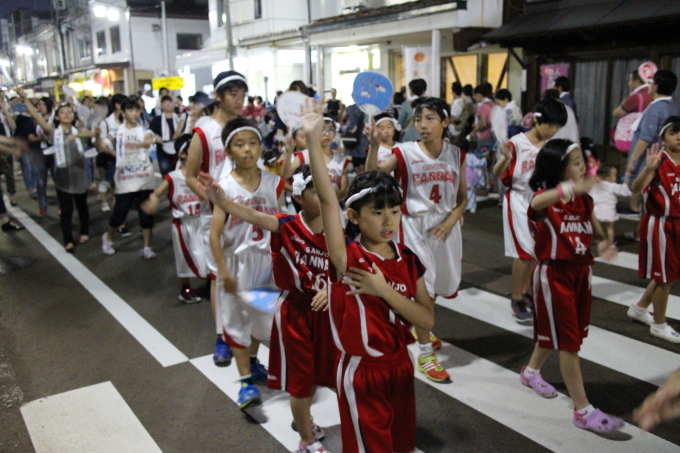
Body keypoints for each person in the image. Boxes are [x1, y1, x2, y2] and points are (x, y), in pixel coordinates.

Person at [304, 98, 433, 453]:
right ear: (355, 216)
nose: (389, 220)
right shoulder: (348, 258)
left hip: (400, 366)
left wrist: (383, 290)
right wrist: (312, 140)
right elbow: (327, 201)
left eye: (395, 210)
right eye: (377, 212)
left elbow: (426, 319)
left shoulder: (408, 259)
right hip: (362, 370)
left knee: (399, 444)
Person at [200, 164, 335, 453]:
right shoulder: (286, 225)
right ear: (298, 197)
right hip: (296, 314)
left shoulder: (338, 228)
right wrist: (222, 201)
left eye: (328, 188)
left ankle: (305, 419)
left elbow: (349, 266)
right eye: (316, 191)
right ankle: (306, 440)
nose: (326, 195)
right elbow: (252, 215)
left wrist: (333, 288)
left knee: (319, 375)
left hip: (326, 314)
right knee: (300, 381)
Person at [520, 138, 622, 434]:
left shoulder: (584, 200)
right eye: (577, 163)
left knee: (561, 333)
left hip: (580, 274)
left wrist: (604, 241)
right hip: (554, 276)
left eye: (582, 162)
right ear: (559, 168)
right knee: (569, 344)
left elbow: (594, 226)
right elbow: (535, 203)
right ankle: (583, 410)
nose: (583, 167)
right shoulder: (546, 199)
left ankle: (530, 372)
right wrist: (568, 188)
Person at [367, 97, 466, 384]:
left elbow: (462, 198)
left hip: (445, 227)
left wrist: (451, 220)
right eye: (419, 119)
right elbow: (372, 176)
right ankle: (425, 354)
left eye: (430, 118)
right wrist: (373, 145)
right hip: (413, 228)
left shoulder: (456, 154)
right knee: (424, 290)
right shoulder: (405, 152)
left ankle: (421, 327)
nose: (422, 124)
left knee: (439, 287)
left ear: (445, 122)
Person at [209, 118, 284, 409]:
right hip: (237, 264)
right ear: (229, 151)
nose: (248, 149)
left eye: (253, 143)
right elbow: (215, 235)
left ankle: (252, 363)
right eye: (240, 145)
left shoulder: (274, 183)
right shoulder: (225, 187)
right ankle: (245, 383)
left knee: (263, 323)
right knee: (238, 325)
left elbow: (281, 225)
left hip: (266, 263)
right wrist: (223, 272)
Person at [184, 70, 248, 367]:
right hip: (216, 215)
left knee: (245, 270)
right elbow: (190, 174)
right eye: (233, 94)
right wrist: (213, 199)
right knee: (218, 275)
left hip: (244, 213)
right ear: (219, 97)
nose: (239, 100)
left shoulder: (244, 128)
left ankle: (246, 331)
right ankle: (222, 335)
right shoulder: (204, 131)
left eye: (242, 94)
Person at [492, 99, 568, 324]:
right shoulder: (517, 143)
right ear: (536, 120)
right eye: (550, 125)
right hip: (519, 199)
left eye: (557, 127)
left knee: (537, 251)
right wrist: (505, 158)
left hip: (541, 199)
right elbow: (497, 173)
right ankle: (516, 298)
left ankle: (526, 292)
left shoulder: (551, 146)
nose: (552, 130)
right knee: (524, 252)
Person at [19, 88, 95, 252]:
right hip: (62, 177)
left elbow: (91, 134)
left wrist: (77, 136)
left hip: (79, 175)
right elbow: (37, 117)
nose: (67, 115)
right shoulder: (54, 132)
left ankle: (84, 231)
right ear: (57, 117)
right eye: (62, 113)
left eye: (69, 112)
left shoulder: (79, 130)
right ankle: (68, 240)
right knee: (66, 210)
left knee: (82, 207)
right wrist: (25, 99)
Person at [627, 117, 680, 343]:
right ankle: (659, 325)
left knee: (669, 273)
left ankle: (640, 308)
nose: (679, 137)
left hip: (677, 222)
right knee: (664, 276)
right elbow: (635, 188)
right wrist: (648, 170)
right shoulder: (658, 161)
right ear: (663, 139)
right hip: (660, 223)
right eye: (673, 133)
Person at [142, 134, 205, 303]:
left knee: (208, 255)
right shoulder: (173, 177)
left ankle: (209, 284)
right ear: (182, 154)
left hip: (203, 221)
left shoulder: (204, 174)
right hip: (183, 225)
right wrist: (153, 199)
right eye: (194, 150)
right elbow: (156, 194)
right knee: (184, 259)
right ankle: (185, 290)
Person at [99, 99, 157, 259]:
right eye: (130, 110)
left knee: (146, 215)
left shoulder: (144, 129)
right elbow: (101, 147)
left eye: (137, 111)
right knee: (120, 213)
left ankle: (146, 247)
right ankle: (108, 237)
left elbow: (148, 141)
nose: (135, 114)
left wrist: (138, 144)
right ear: (123, 113)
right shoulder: (116, 132)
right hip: (125, 180)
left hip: (144, 179)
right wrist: (97, 137)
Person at [625, 70, 678, 215]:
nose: (649, 85)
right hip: (668, 161)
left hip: (651, 160)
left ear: (657, 86)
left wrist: (632, 162)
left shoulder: (655, 108)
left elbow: (645, 138)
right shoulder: (673, 106)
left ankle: (640, 223)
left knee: (644, 196)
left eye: (651, 82)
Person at [282, 117, 349, 199]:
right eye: (322, 129)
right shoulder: (304, 155)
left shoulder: (341, 160)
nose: (327, 134)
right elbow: (285, 175)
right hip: (307, 205)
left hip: (333, 204)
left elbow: (343, 190)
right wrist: (288, 153)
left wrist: (329, 201)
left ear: (335, 133)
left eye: (331, 129)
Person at [96, 94, 127, 215]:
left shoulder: (127, 121)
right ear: (117, 105)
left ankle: (118, 217)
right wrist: (114, 154)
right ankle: (117, 218)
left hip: (126, 158)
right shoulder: (106, 123)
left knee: (121, 190)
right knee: (114, 187)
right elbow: (102, 145)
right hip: (111, 159)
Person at [612, 70, 653, 154]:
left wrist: (623, 103)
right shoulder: (652, 94)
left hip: (635, 139)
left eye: (630, 80)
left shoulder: (637, 96)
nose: (629, 83)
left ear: (637, 81)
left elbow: (617, 113)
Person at [588, 165, 631, 243]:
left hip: (596, 210)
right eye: (614, 175)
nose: (615, 177)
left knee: (595, 227)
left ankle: (597, 240)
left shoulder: (595, 184)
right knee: (610, 228)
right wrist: (626, 178)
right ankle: (610, 243)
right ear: (607, 177)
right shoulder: (611, 186)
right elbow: (624, 191)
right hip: (608, 210)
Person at [149, 95, 180, 175]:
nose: (168, 104)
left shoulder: (179, 118)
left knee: (179, 172)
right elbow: (150, 132)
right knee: (166, 172)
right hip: (162, 150)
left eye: (170, 102)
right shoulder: (157, 119)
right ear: (161, 105)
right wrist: (156, 138)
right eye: (165, 103)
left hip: (178, 149)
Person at [343, 102, 369, 173]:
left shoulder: (350, 108)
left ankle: (358, 175)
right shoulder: (366, 108)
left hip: (353, 136)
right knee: (363, 158)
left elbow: (343, 118)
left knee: (355, 158)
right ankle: (363, 174)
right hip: (364, 136)